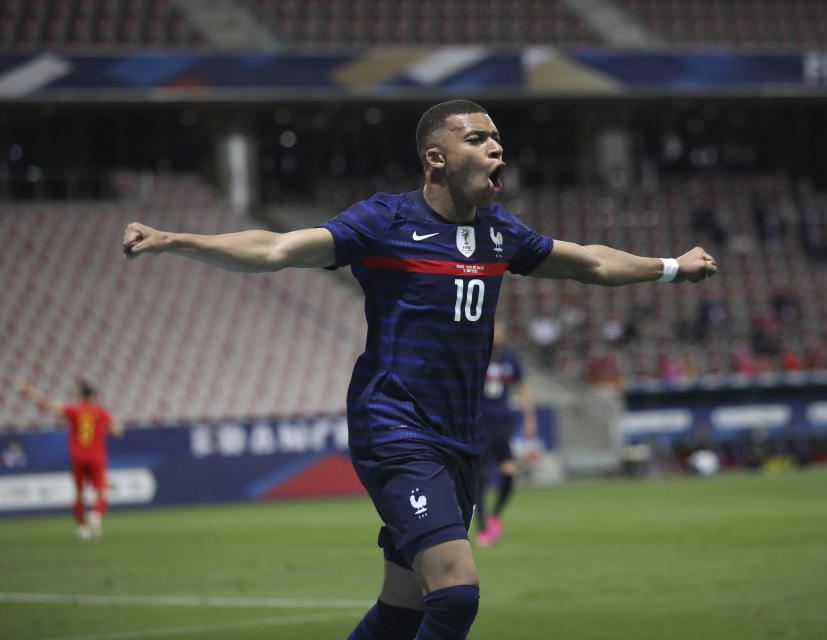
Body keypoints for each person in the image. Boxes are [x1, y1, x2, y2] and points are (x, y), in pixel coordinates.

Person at [121, 99, 718, 640]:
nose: (496, 148)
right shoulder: (386, 222)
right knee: (456, 593)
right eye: (479, 139)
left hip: (460, 437)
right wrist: (175, 239)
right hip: (396, 426)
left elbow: (590, 262)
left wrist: (669, 266)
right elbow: (277, 248)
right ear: (436, 157)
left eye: (497, 140)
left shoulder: (499, 231)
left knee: (401, 610)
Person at [18, 378, 123, 539]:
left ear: (80, 395)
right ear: (93, 395)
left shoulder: (74, 410)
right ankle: (95, 516)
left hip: (78, 456)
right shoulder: (101, 411)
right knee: (101, 492)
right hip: (96, 456)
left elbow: (50, 404)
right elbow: (118, 431)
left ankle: (82, 529)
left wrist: (31, 391)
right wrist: (107, 431)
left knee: (79, 494)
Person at [474, 320, 537, 547]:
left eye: (501, 331)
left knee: (510, 471)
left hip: (503, 423)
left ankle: (495, 515)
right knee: (479, 475)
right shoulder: (476, 354)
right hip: (479, 423)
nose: (498, 335)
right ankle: (481, 528)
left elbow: (522, 387)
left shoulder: (510, 358)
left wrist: (529, 417)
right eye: (494, 331)